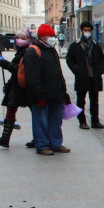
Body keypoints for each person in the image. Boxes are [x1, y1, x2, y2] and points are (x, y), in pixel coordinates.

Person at [23, 24, 71, 156]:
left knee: (55, 121)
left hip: (55, 94)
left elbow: (58, 73)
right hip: (42, 95)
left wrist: (63, 92)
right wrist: (39, 97)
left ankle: (56, 143)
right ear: (42, 37)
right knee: (41, 122)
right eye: (50, 36)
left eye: (53, 36)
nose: (53, 38)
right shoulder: (34, 51)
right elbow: (32, 78)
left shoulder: (51, 50)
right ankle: (42, 145)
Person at [0, 29, 31, 148]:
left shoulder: (28, 52)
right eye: (18, 37)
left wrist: (5, 64)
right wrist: (8, 85)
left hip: (25, 87)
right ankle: (5, 138)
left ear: (28, 40)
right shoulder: (20, 52)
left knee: (35, 112)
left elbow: (20, 70)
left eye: (23, 38)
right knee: (11, 111)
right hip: (16, 86)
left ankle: (39, 137)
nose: (19, 40)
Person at [66, 21, 104, 129]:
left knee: (94, 101)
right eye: (85, 30)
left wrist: (100, 71)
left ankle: (95, 121)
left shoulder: (95, 46)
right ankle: (82, 121)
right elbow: (69, 60)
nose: (87, 32)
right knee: (81, 100)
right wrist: (77, 70)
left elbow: (101, 59)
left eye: (89, 30)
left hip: (94, 77)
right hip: (82, 77)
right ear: (82, 31)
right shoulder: (76, 45)